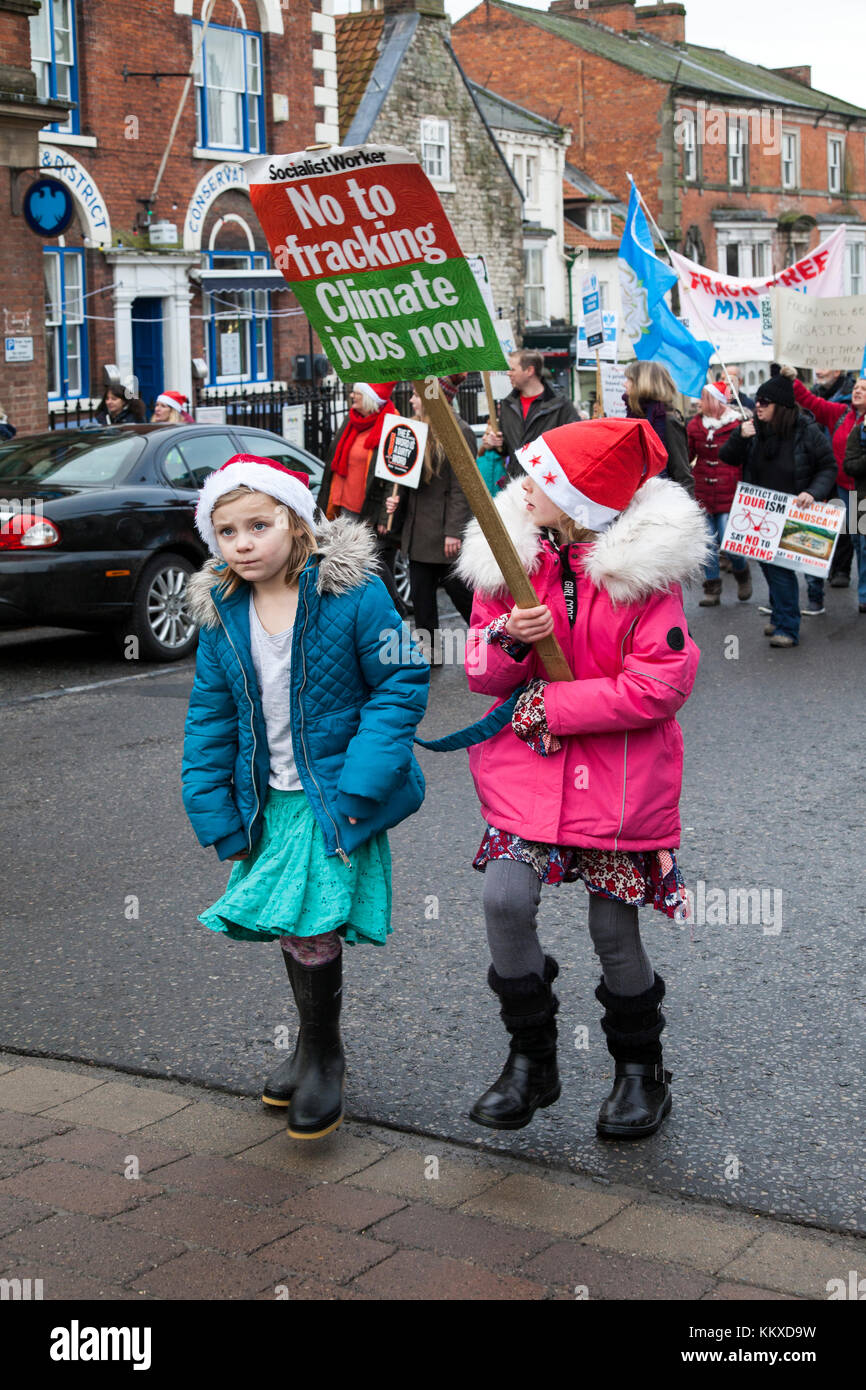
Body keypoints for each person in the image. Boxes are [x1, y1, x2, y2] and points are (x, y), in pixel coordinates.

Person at [452, 418, 708, 1139]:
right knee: (505, 900)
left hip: (620, 779)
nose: (521, 487)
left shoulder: (643, 581)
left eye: (541, 480)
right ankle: (532, 1061)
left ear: (582, 502)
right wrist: (509, 641)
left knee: (612, 927)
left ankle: (639, 1072)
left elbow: (660, 684)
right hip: (527, 773)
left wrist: (552, 703)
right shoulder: (507, 560)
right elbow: (480, 670)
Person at [182, 454, 428, 1140]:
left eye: (259, 524)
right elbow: (210, 716)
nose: (244, 542)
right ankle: (311, 1047)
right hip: (268, 799)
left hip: (335, 791)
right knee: (295, 923)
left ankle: (323, 1056)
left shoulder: (352, 594)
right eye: (227, 532)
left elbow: (400, 681)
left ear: (294, 522)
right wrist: (214, 812)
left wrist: (363, 780)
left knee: (312, 921)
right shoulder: (224, 611)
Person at [719, 376, 836, 648]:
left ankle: (787, 626)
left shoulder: (805, 430)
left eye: (765, 402)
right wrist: (739, 435)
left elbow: (828, 466)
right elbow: (728, 457)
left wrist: (813, 492)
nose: (758, 406)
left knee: (781, 571)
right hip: (761, 512)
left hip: (794, 512)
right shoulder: (754, 429)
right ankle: (780, 614)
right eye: (757, 400)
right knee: (770, 570)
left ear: (781, 406)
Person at [383, 377, 475, 662]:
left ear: (434, 398)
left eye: (416, 395)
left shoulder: (459, 431)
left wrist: (454, 532)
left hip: (444, 533)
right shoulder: (412, 429)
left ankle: (494, 641)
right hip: (418, 532)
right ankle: (430, 653)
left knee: (464, 597)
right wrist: (394, 501)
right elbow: (403, 478)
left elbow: (464, 487)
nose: (411, 400)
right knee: (422, 601)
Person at [316, 380, 406, 610]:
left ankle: (393, 611)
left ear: (369, 398)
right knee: (348, 567)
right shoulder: (351, 420)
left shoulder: (393, 424)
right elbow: (331, 465)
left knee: (376, 568)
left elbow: (395, 473)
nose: (352, 397)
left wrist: (386, 518)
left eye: (356, 393)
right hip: (344, 508)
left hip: (370, 511)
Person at [781, 367, 864, 606]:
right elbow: (810, 401)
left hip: (863, 491)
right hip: (842, 487)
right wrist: (793, 380)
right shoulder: (840, 412)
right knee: (849, 537)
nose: (857, 391)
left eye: (864, 389)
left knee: (863, 542)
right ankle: (843, 576)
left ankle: (864, 595)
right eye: (856, 387)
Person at [687, 383, 752, 605]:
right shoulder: (695, 425)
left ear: (714, 400)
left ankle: (742, 572)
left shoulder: (737, 423)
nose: (698, 403)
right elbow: (687, 454)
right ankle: (712, 588)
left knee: (729, 539)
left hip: (731, 487)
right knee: (707, 543)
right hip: (703, 488)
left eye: (703, 398)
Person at [481, 349, 580, 480]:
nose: (508, 373)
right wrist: (494, 442)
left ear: (529, 371)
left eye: (512, 369)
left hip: (548, 485)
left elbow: (575, 444)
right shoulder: (507, 405)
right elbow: (506, 448)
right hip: (516, 485)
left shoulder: (561, 405)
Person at [623, 361, 695, 496]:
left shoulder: (667, 420)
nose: (624, 384)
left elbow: (682, 473)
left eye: (629, 379)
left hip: (662, 502)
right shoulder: (634, 418)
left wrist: (687, 512)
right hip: (637, 498)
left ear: (644, 383)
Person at [842, 413, 866, 614]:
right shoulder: (859, 432)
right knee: (864, 549)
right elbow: (849, 466)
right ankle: (865, 596)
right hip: (862, 501)